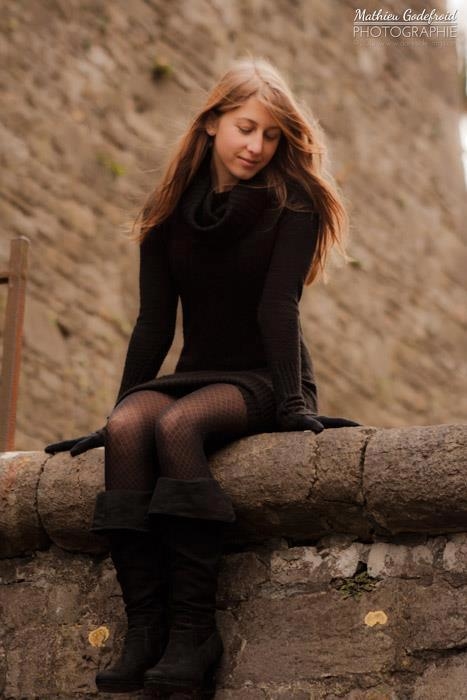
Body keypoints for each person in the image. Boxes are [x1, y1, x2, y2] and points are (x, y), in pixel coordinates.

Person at [45, 56, 360, 698]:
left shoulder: (292, 203)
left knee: (179, 428)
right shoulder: (167, 213)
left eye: (270, 135)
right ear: (212, 121)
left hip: (264, 377)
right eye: (246, 128)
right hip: (198, 374)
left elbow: (279, 307)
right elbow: (153, 325)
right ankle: (145, 630)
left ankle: (194, 632)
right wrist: (117, 407)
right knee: (129, 428)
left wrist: (294, 405)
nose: (257, 146)